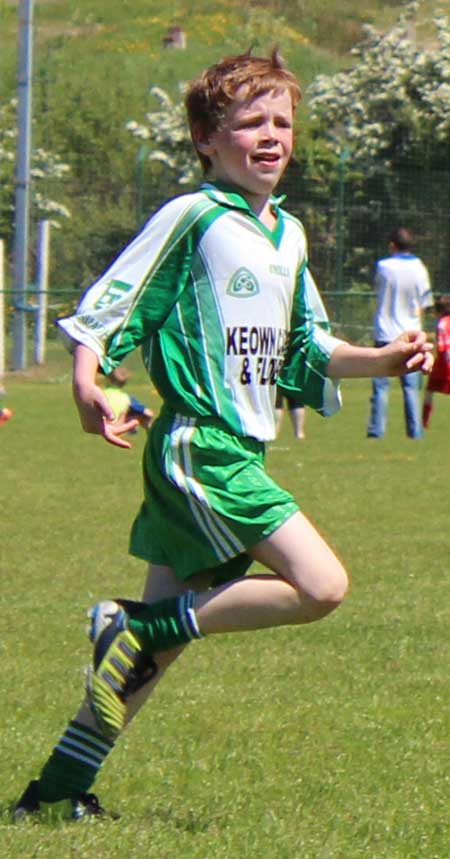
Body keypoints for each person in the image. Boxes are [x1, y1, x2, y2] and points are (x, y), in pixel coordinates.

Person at [14, 50, 434, 822]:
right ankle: (130, 622)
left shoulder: (290, 235)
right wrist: (86, 379)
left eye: (282, 122)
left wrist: (382, 358)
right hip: (199, 445)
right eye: (250, 122)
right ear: (207, 138)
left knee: (147, 661)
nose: (271, 135)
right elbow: (111, 303)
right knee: (322, 585)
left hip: (238, 449)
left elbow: (309, 346)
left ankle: (53, 792)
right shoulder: (193, 216)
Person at [367, 226, 434, 439]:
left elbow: (378, 291)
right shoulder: (420, 268)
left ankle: (376, 431)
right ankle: (415, 432)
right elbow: (425, 302)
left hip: (385, 333)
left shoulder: (383, 266)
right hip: (412, 334)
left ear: (392, 245)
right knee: (411, 388)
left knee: (380, 387)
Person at [422, 294, 450, 429]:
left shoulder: (442, 324)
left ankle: (424, 422)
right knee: (430, 390)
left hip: (445, 364)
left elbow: (444, 345)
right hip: (444, 362)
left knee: (429, 391)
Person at [103, 367, 153, 431]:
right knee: (138, 415)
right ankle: (149, 431)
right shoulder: (126, 398)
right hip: (116, 427)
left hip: (100, 425)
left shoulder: (101, 393)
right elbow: (149, 413)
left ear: (108, 379)